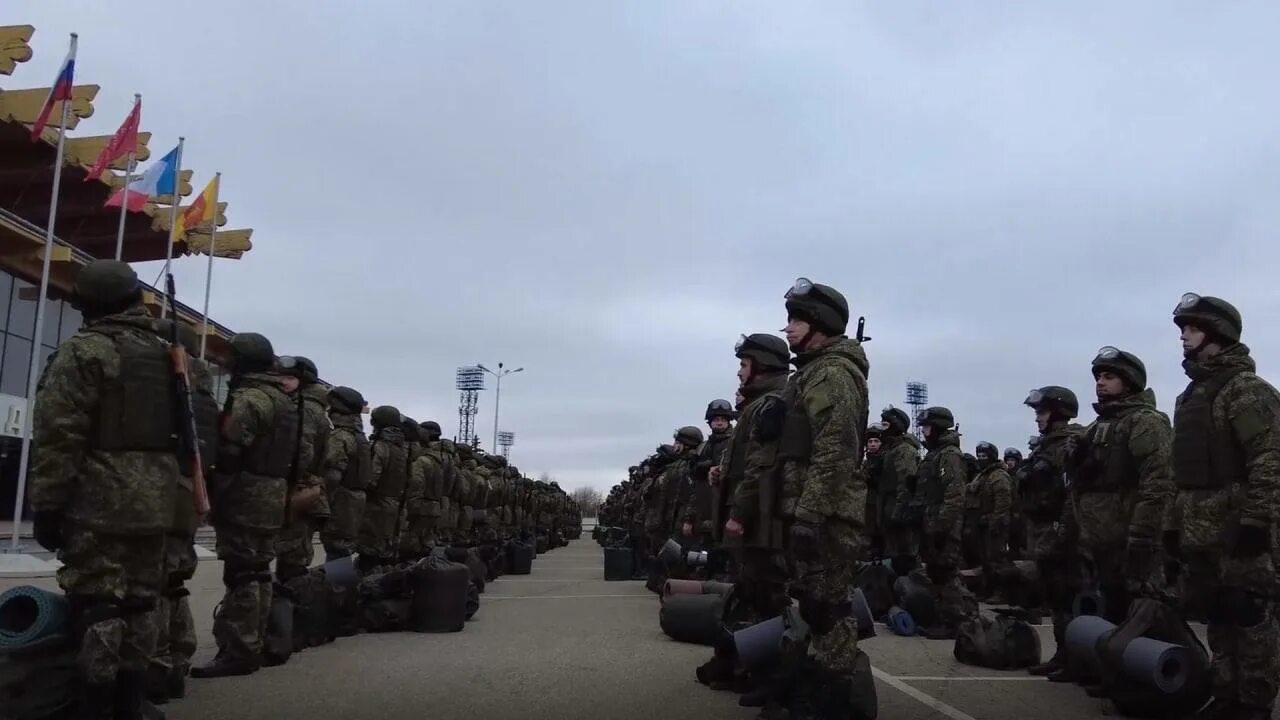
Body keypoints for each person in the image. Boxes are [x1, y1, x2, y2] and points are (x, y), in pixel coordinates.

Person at [28, 261, 178, 715]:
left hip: (98, 498)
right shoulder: (166, 353)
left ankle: (96, 703)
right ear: (136, 299)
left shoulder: (84, 352)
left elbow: (58, 434)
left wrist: (48, 504)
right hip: (158, 499)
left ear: (87, 306)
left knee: (98, 602)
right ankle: (131, 701)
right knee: (140, 599)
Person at [1170, 294, 1280, 720]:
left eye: (1192, 328)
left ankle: (1253, 704)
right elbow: (1181, 470)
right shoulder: (1190, 397)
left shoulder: (1246, 391)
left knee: (1249, 614)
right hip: (1201, 527)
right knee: (1217, 613)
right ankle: (1227, 696)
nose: (1183, 336)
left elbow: (1270, 458)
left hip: (1240, 525)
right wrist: (1172, 524)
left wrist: (1256, 521)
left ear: (1217, 332)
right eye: (1183, 328)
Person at [771, 277, 873, 718]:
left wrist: (810, 515)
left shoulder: (832, 373)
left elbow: (835, 449)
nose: (788, 328)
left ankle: (834, 702)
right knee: (815, 605)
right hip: (814, 512)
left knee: (830, 609)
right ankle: (814, 691)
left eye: (798, 319)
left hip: (827, 516)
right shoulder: (813, 372)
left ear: (821, 324)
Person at [1056, 346, 1173, 684]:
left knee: (1142, 613)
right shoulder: (1096, 428)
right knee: (1110, 608)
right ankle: (1112, 674)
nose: (1100, 384)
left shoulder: (1145, 423)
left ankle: (1145, 680)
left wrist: (1142, 537)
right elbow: (1078, 487)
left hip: (1131, 538)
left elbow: (1158, 484)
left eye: (1109, 377)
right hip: (1100, 539)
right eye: (1098, 377)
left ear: (1130, 381)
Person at [192, 333, 299, 679]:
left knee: (241, 572)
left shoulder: (250, 398)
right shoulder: (283, 400)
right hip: (272, 493)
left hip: (246, 493)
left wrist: (214, 493)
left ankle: (239, 649)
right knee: (258, 570)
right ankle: (259, 640)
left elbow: (231, 450)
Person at [1020, 386, 1085, 676]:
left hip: (1063, 533)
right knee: (1056, 598)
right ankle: (1064, 655)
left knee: (1069, 596)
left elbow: (1072, 492)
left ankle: (1077, 659)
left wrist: (1064, 531)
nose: (1037, 418)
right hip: (1044, 530)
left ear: (1059, 413)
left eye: (1042, 412)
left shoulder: (1069, 444)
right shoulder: (1045, 446)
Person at [914, 405, 970, 639]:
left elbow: (954, 494)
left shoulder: (948, 454)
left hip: (944, 524)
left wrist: (942, 526)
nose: (924, 431)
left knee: (947, 573)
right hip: (932, 521)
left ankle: (955, 621)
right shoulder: (935, 453)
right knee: (937, 572)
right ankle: (944, 618)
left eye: (927, 427)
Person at [318, 386, 370, 560]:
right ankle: (342, 584)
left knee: (336, 550)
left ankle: (339, 586)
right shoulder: (360, 438)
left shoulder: (341, 436)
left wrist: (322, 502)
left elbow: (333, 474)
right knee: (342, 549)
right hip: (355, 501)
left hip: (341, 500)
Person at [356, 406, 407, 571]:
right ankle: (377, 587)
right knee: (381, 553)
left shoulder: (379, 445)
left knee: (365, 553)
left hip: (374, 507)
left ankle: (343, 591)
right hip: (392, 506)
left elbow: (370, 478)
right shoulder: (401, 449)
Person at [878, 407, 922, 576]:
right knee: (893, 555)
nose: (882, 428)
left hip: (900, 512)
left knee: (907, 556)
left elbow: (906, 483)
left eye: (885, 424)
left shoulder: (904, 450)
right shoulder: (891, 450)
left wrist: (900, 510)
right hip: (890, 509)